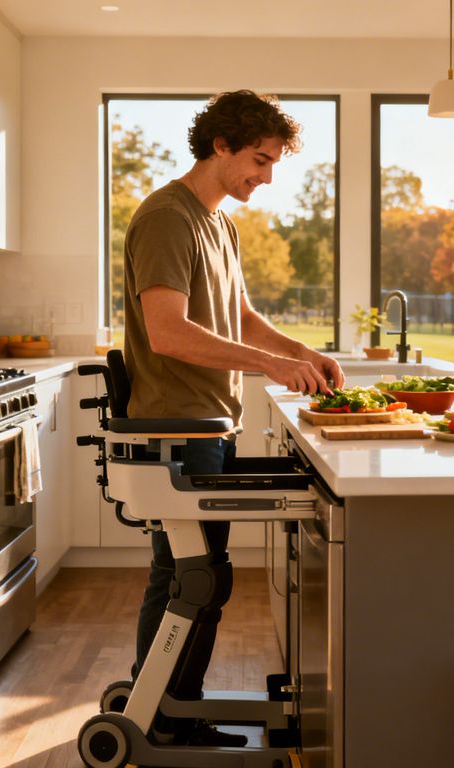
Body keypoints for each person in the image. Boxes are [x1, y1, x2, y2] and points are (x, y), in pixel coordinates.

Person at [121, 90, 345, 745]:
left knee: (195, 576)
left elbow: (238, 317)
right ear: (220, 144)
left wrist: (300, 352)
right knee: (191, 577)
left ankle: (162, 706)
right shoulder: (168, 217)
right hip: (175, 427)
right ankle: (161, 720)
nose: (267, 176)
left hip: (206, 424)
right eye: (259, 159)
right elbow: (167, 332)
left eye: (273, 163)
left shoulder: (218, 221)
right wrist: (269, 368)